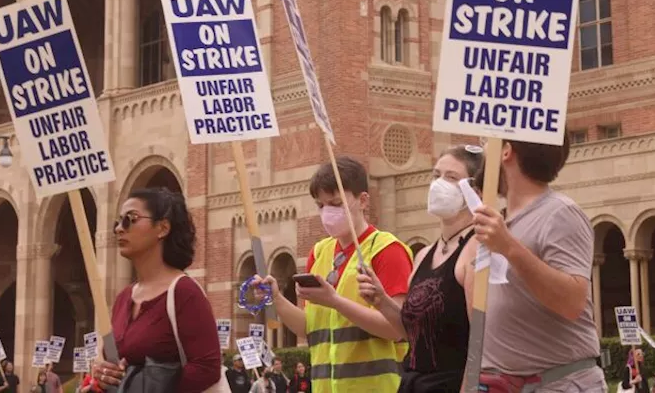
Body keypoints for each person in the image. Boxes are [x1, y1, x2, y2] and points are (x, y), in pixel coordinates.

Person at [260, 157, 414, 393]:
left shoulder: (386, 250)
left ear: (363, 200)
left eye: (336, 203)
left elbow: (396, 329)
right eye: (321, 205)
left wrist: (335, 301)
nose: (328, 212)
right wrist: (277, 298)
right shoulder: (319, 253)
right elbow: (308, 328)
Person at [467, 133, 606, 392]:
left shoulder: (560, 213)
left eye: (488, 142)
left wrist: (509, 247)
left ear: (506, 150)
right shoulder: (501, 224)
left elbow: (572, 302)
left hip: (558, 384)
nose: (483, 151)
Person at [358, 145, 480, 392]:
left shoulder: (477, 250)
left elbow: (482, 341)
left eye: (451, 177)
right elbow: (412, 332)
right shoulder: (424, 255)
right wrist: (382, 301)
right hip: (413, 383)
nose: (438, 185)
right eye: (436, 176)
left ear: (474, 190)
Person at [90, 188, 223, 392]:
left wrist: (146, 387)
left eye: (130, 219)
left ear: (162, 228)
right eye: (118, 221)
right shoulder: (123, 298)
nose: (119, 228)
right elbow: (114, 367)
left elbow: (207, 368)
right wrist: (103, 374)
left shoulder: (184, 291)